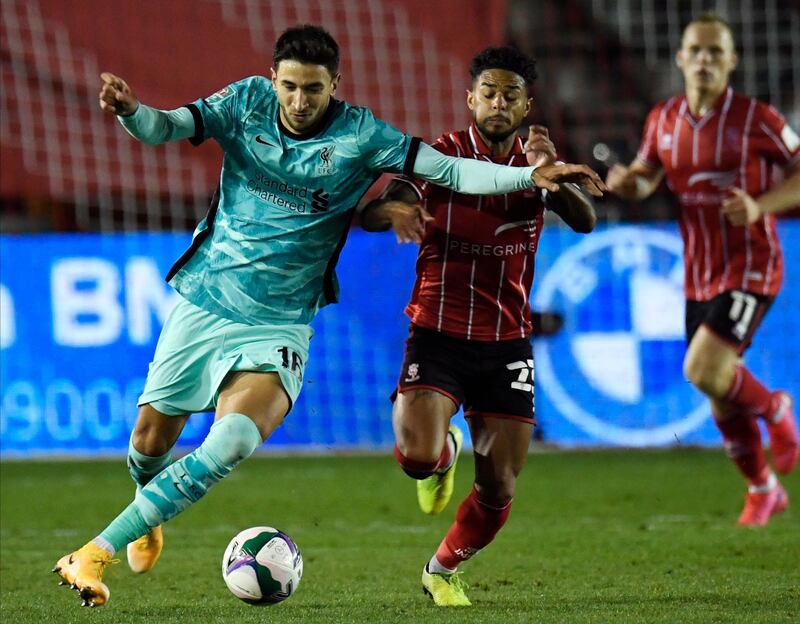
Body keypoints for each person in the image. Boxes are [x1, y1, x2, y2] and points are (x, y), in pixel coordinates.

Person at [52, 25, 605, 608]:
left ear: (333, 84)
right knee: (147, 444)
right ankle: (148, 511)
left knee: (235, 437)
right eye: (289, 87)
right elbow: (166, 126)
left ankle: (94, 552)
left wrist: (529, 176)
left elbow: (450, 171)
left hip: (283, 320)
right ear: (273, 80)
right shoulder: (244, 103)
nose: (299, 101)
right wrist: (132, 111)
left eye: (312, 89)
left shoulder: (361, 134)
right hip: (206, 299)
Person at [360, 46, 597, 607]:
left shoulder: (536, 165)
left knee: (500, 488)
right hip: (438, 332)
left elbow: (585, 220)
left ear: (525, 105)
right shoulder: (442, 156)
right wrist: (392, 212)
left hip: (507, 342)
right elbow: (374, 211)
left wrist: (550, 182)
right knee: (417, 456)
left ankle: (441, 569)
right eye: (488, 92)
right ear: (471, 100)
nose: (498, 102)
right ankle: (443, 455)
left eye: (510, 95)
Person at [606, 13, 799, 527]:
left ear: (732, 61)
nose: (706, 60)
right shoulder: (663, 119)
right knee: (717, 391)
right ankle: (763, 489)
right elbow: (648, 177)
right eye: (698, 50)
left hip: (752, 265)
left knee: (704, 369)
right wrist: (629, 183)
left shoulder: (758, 118)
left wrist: (760, 207)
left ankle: (776, 408)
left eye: (717, 52)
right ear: (681, 58)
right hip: (699, 272)